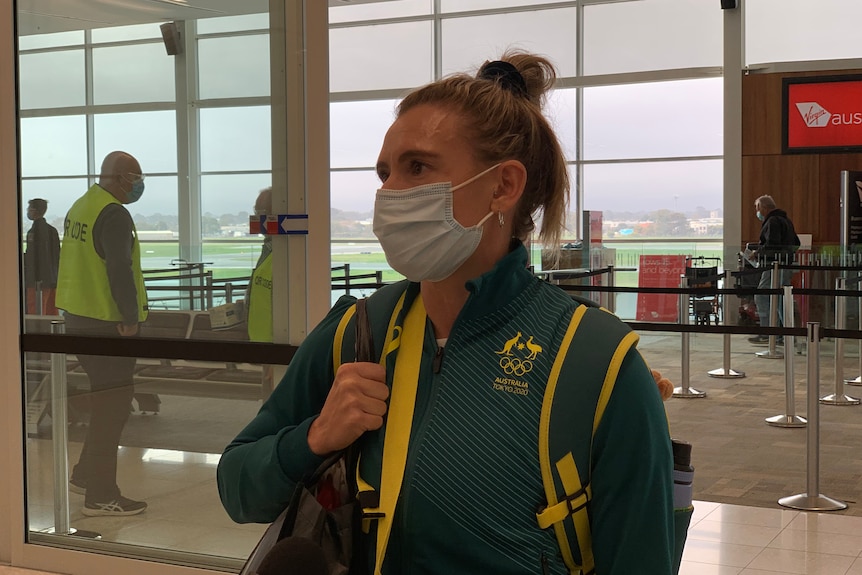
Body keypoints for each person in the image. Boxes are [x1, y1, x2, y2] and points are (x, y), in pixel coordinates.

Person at [218, 52, 675, 573]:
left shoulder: (596, 362)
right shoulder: (355, 331)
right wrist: (314, 437)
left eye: (417, 167)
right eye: (383, 172)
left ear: (503, 186)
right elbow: (237, 489)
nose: (387, 194)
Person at [56, 150, 149, 517]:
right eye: (136, 178)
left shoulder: (82, 206)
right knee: (113, 407)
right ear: (121, 177)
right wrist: (129, 316)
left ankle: (83, 473)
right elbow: (119, 268)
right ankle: (101, 492)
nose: (139, 185)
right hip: (107, 324)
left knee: (104, 404)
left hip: (78, 319)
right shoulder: (114, 213)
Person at [748, 195, 799, 345]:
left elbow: (772, 244)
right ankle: (785, 334)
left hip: (774, 265)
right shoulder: (785, 220)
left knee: (763, 295)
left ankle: (768, 332)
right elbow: (796, 242)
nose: (757, 212)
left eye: (757, 208)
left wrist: (757, 253)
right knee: (780, 299)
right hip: (784, 264)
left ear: (764, 208)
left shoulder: (772, 221)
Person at [24, 198, 60, 315]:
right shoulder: (53, 231)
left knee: (36, 312)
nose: (28, 211)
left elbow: (32, 258)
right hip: (52, 279)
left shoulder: (33, 232)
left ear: (34, 211)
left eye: (29, 208)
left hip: (36, 281)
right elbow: (57, 255)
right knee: (51, 312)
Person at [246, 187, 273, 343]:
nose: (256, 217)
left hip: (277, 342)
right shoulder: (268, 249)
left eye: (259, 212)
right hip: (261, 339)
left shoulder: (286, 255)